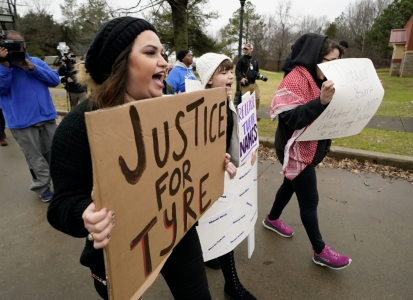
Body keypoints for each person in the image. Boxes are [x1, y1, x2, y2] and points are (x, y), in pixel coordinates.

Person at [47, 17, 236, 300]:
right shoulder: (77, 127)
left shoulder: (171, 104)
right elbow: (61, 204)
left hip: (178, 229)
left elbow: (186, 161)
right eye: (150, 53)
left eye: (163, 53)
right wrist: (85, 214)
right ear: (119, 64)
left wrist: (210, 160)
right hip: (119, 250)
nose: (164, 62)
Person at [262, 33, 351, 270]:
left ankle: (271, 219)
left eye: (337, 61)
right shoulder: (295, 79)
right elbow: (291, 117)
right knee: (309, 200)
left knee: (289, 185)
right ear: (315, 58)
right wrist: (320, 102)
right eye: (330, 61)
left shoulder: (318, 78)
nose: (334, 68)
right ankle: (320, 251)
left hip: (310, 148)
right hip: (295, 150)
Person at [197, 52, 257, 300]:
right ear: (208, 80)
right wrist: (214, 161)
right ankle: (231, 286)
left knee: (218, 225)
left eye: (231, 70)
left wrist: (248, 151)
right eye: (223, 71)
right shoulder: (200, 108)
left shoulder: (229, 101)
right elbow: (194, 151)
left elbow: (234, 138)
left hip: (226, 177)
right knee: (222, 228)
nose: (231, 76)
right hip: (207, 182)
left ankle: (210, 255)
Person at [0, 30, 60, 202]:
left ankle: (60, 183)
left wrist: (32, 68)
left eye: (20, 42)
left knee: (54, 154)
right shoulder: (2, 66)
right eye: (11, 44)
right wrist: (4, 66)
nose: (18, 47)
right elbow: (2, 89)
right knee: (35, 158)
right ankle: (42, 187)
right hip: (22, 122)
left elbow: (55, 80)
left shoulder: (35, 62)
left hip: (47, 116)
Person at [235, 44, 267, 110]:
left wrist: (260, 77)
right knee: (245, 101)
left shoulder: (255, 59)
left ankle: (254, 114)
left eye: (247, 49)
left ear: (251, 49)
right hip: (245, 84)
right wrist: (241, 78)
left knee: (257, 98)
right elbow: (237, 70)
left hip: (253, 84)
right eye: (245, 49)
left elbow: (256, 72)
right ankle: (245, 116)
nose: (245, 51)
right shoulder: (241, 59)